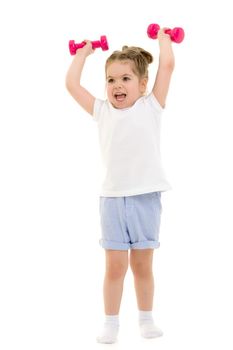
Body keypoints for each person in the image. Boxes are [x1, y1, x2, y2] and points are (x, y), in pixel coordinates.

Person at [66, 28, 175, 344]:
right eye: (111, 80)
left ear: (142, 85)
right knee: (114, 268)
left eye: (125, 79)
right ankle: (111, 322)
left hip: (145, 198)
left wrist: (164, 39)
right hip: (112, 200)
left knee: (142, 266)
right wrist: (82, 54)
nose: (117, 86)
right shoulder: (102, 111)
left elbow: (166, 66)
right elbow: (72, 85)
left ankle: (145, 319)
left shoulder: (150, 106)